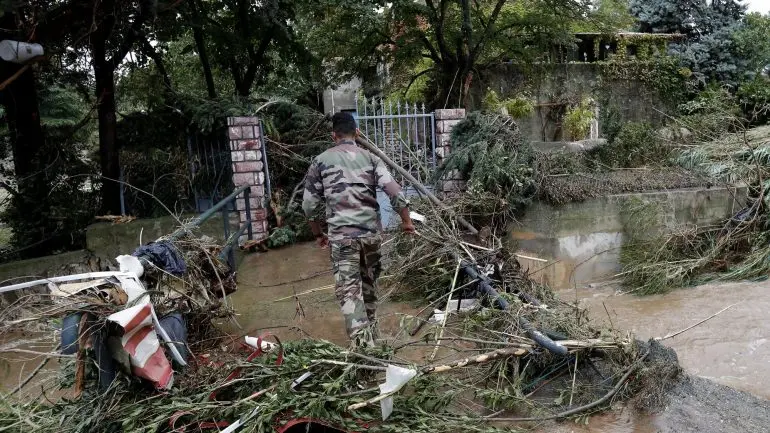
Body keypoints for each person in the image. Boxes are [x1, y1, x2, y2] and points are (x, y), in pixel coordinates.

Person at [302, 112, 415, 344]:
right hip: (371, 236)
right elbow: (395, 192)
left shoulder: (320, 161)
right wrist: (407, 222)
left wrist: (318, 233)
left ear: (334, 136)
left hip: (342, 240)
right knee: (369, 284)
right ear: (358, 133)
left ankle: (365, 352)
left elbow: (309, 206)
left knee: (349, 293)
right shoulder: (371, 158)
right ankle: (372, 336)